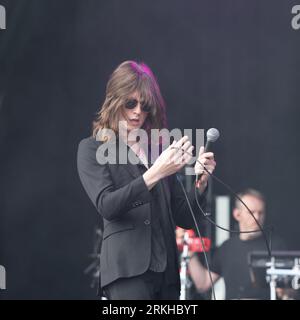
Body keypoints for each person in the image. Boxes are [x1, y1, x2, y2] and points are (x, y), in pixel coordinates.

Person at [77, 60, 216, 300]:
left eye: (145, 105)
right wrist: (156, 172)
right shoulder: (92, 148)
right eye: (130, 103)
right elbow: (107, 205)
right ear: (114, 100)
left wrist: (200, 184)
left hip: (167, 274)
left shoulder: (156, 150)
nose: (138, 111)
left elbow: (183, 217)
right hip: (127, 272)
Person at [188, 188, 287, 300]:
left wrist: (285, 291)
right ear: (237, 214)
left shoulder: (276, 245)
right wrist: (190, 252)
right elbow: (203, 284)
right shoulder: (227, 247)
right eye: (251, 212)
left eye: (261, 212)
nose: (257, 217)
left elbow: (289, 289)